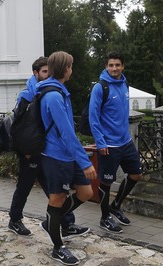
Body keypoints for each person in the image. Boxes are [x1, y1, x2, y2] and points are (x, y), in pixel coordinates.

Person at [8, 57, 90, 239]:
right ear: (35, 73)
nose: (48, 74)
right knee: (24, 186)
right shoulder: (27, 95)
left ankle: (66, 223)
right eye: (44, 72)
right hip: (31, 151)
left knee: (56, 193)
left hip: (47, 151)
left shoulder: (50, 91)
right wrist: (24, 150)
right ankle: (15, 219)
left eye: (49, 71)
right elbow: (19, 125)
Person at [37, 51, 96, 265]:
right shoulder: (53, 95)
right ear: (65, 68)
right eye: (71, 65)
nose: (72, 69)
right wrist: (85, 161)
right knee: (57, 199)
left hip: (67, 154)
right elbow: (66, 132)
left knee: (86, 192)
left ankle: (51, 222)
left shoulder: (60, 91)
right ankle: (57, 247)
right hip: (55, 155)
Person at [90, 51, 143, 233]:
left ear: (123, 66)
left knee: (136, 175)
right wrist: (100, 142)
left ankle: (116, 205)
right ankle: (105, 218)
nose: (114, 68)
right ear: (106, 66)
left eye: (117, 65)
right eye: (111, 65)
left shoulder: (124, 83)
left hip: (126, 141)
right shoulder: (100, 87)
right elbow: (93, 118)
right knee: (106, 182)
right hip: (109, 145)